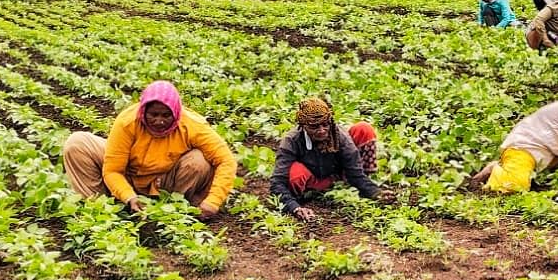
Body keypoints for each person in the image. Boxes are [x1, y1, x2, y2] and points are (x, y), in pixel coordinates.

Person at [62, 81, 237, 219]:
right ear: (143, 111)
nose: (159, 121)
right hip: (129, 174)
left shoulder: (191, 125)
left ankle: (176, 208)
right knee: (77, 143)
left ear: (176, 113)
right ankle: (101, 208)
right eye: (153, 114)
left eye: (166, 115)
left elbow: (226, 160)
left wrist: (213, 201)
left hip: (167, 181)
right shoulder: (128, 122)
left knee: (199, 160)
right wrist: (128, 195)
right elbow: (113, 170)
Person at [270, 97, 392, 220]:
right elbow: (278, 181)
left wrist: (376, 193)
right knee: (295, 172)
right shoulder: (291, 141)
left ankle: (358, 185)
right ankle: (302, 196)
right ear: (303, 126)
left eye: (325, 124)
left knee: (363, 129)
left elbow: (356, 174)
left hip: (341, 175)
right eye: (314, 127)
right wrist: (295, 208)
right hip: (314, 180)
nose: (322, 130)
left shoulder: (341, 137)